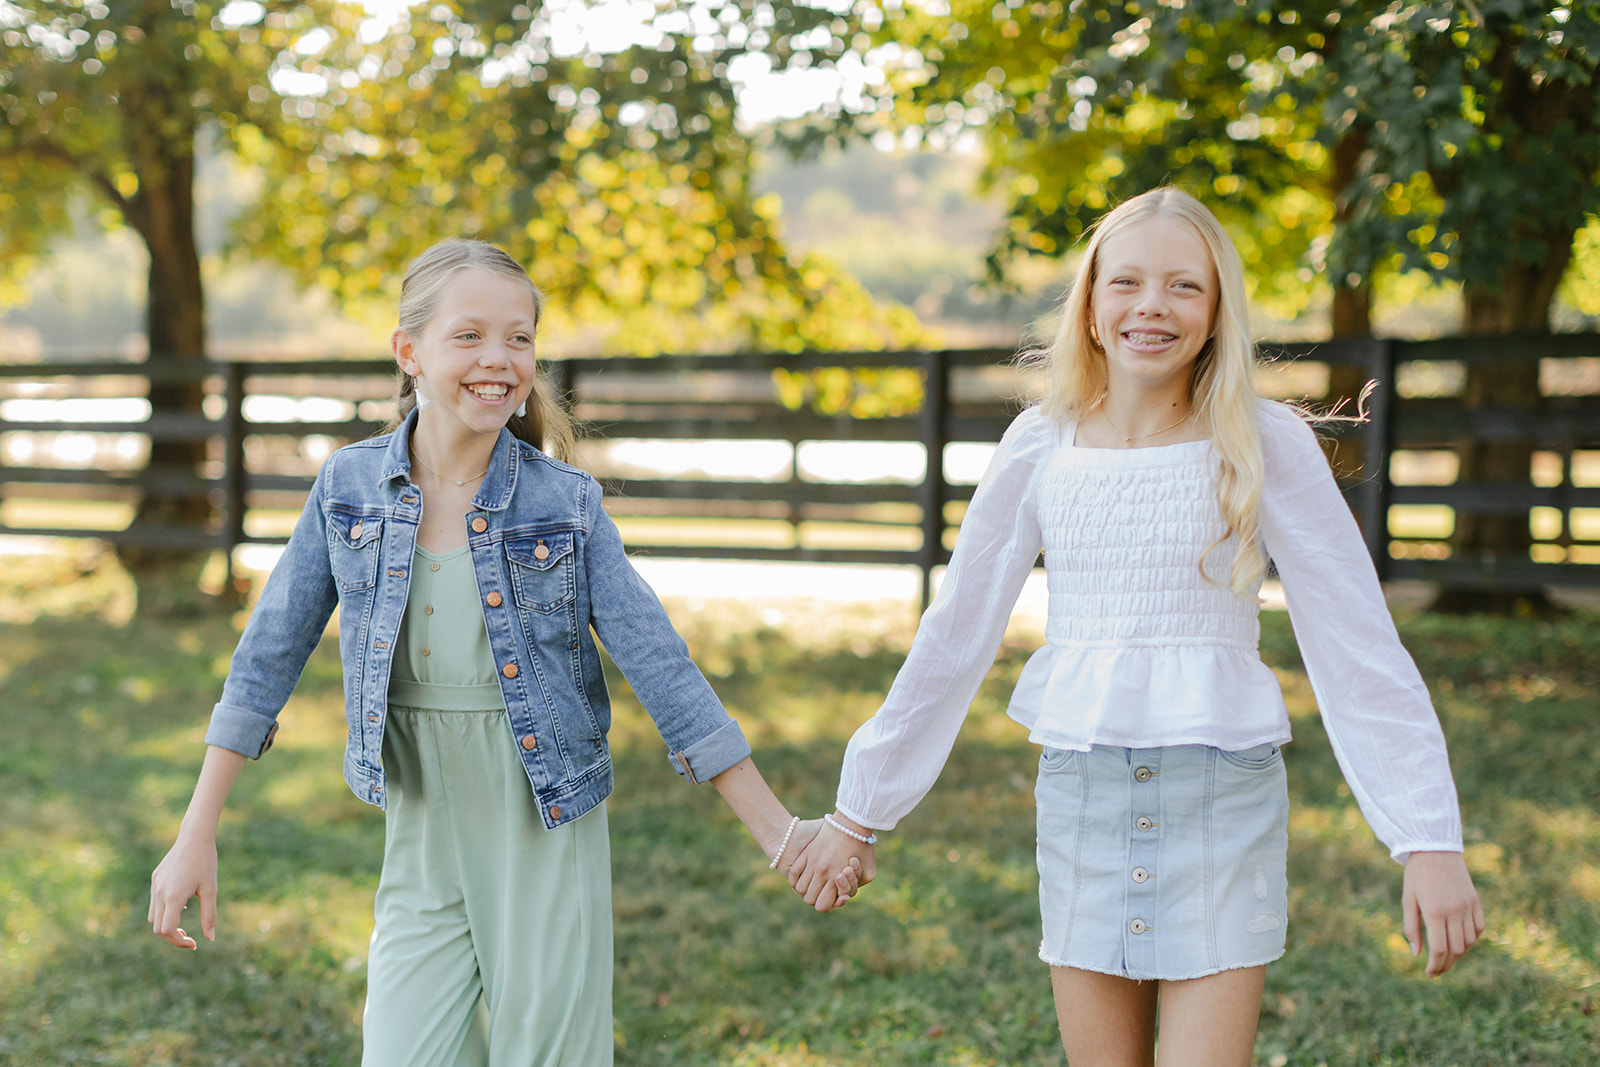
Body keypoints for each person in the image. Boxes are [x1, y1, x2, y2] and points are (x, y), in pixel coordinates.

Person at [786, 188, 1485, 1064]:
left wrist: (1427, 836)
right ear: (1089, 303)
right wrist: (860, 810)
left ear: (1218, 310)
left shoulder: (1264, 442)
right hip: (1083, 802)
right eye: (1127, 281)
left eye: (1184, 286)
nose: (1152, 304)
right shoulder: (1040, 445)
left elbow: (1358, 646)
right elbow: (954, 635)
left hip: (1223, 804)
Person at [148, 238, 857, 1066]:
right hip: (421, 839)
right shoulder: (347, 489)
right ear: (408, 351)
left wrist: (781, 834)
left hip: (544, 830)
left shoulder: (566, 504)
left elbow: (664, 669)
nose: (500, 358)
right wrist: (195, 831)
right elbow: (265, 659)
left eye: (520, 337)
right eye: (470, 335)